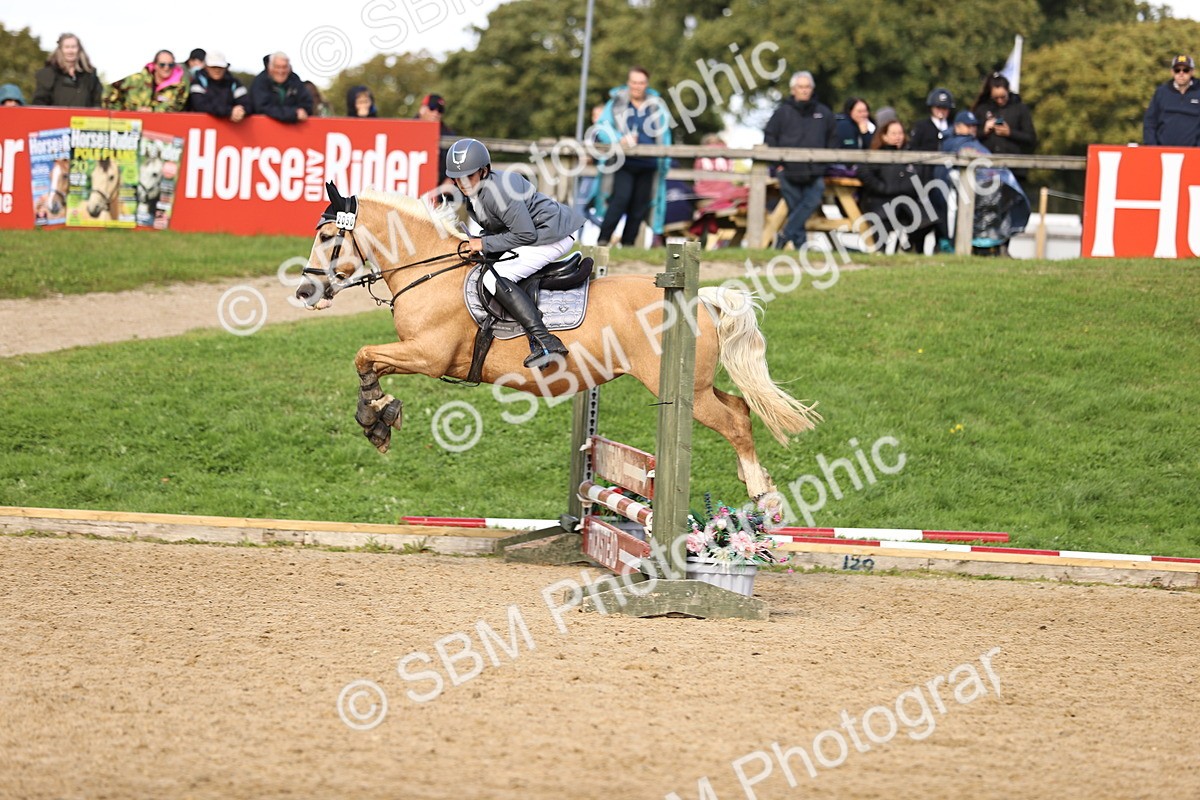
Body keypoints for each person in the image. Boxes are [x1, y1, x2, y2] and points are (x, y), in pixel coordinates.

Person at [446, 138, 584, 369]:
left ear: (484, 171)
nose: (463, 183)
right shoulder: (478, 192)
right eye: (457, 178)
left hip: (550, 236)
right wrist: (480, 242)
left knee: (494, 278)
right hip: (538, 233)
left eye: (469, 176)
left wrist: (483, 244)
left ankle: (546, 341)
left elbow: (525, 234)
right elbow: (499, 228)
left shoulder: (498, 191)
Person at [595, 66, 673, 247]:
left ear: (647, 84)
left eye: (641, 83)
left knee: (639, 206)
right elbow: (602, 128)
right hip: (623, 162)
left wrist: (665, 160)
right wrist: (619, 139)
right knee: (620, 200)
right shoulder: (616, 103)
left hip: (649, 163)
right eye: (634, 82)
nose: (637, 86)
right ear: (628, 83)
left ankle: (628, 244)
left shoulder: (656, 106)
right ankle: (603, 239)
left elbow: (665, 135)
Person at [763, 70, 837, 249]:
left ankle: (784, 236)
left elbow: (833, 140)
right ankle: (801, 247)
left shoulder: (824, 113)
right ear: (793, 90)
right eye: (801, 87)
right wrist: (778, 165)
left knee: (809, 202)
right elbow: (769, 138)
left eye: (807, 87)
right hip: (788, 172)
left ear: (812, 89)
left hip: (815, 172)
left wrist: (823, 165)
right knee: (797, 207)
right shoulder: (782, 113)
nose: (804, 90)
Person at [939, 111, 1030, 255]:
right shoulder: (953, 144)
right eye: (968, 126)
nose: (972, 129)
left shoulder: (976, 143)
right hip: (967, 193)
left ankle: (995, 245)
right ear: (957, 127)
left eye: (974, 126)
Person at [856, 118, 938, 253]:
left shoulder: (911, 155)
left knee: (927, 220)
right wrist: (882, 188)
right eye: (893, 133)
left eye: (900, 133)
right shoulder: (875, 155)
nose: (898, 137)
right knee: (883, 220)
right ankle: (879, 252)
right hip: (880, 201)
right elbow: (864, 172)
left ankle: (910, 249)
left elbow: (921, 176)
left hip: (907, 201)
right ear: (884, 136)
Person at [909, 87, 956, 252]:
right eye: (938, 107)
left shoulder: (952, 128)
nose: (941, 111)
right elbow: (913, 149)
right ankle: (917, 246)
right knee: (923, 211)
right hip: (925, 176)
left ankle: (941, 244)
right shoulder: (922, 126)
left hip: (946, 176)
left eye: (945, 108)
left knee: (943, 211)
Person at [972, 73, 1037, 177]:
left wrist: (1010, 133)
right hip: (987, 170)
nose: (1000, 101)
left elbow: (1031, 139)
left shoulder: (1020, 109)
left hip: (1014, 171)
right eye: (996, 98)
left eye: (1003, 97)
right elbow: (970, 138)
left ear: (1008, 91)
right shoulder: (981, 109)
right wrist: (984, 131)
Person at [32, 32, 103, 107]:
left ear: (79, 49)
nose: (70, 51)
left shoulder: (90, 75)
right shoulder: (48, 74)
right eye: (67, 47)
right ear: (60, 50)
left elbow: (96, 103)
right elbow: (39, 103)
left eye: (73, 47)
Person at [104, 50, 189, 112]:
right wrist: (121, 112)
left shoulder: (180, 86)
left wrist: (152, 111)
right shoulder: (136, 79)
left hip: (160, 127)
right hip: (130, 125)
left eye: (170, 65)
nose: (166, 68)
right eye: (162, 64)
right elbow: (110, 91)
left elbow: (176, 107)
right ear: (155, 65)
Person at [1143, 54, 1200, 147]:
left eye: (1185, 70)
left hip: (1193, 152)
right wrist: (1152, 147)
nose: (1181, 73)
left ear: (1192, 72)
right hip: (1163, 151)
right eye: (1177, 70)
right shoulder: (1161, 92)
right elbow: (1150, 121)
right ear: (1172, 72)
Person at [186, 51, 248, 122]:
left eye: (220, 67)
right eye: (213, 67)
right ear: (206, 67)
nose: (217, 70)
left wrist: (241, 111)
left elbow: (247, 104)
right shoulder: (198, 81)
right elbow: (199, 105)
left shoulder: (234, 83)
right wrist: (229, 111)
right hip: (201, 125)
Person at [250, 52, 313, 123]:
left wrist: (302, 111)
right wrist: (293, 113)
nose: (281, 71)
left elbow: (307, 104)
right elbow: (262, 108)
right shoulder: (260, 81)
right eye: (277, 67)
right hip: (263, 126)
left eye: (284, 67)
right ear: (270, 67)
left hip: (293, 128)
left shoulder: (295, 80)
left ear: (289, 68)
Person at [416, 94, 455, 188]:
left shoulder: (448, 135)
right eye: (432, 108)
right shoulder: (407, 128)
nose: (436, 113)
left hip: (438, 188)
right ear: (422, 109)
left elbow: (457, 163)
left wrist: (450, 180)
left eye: (440, 110)